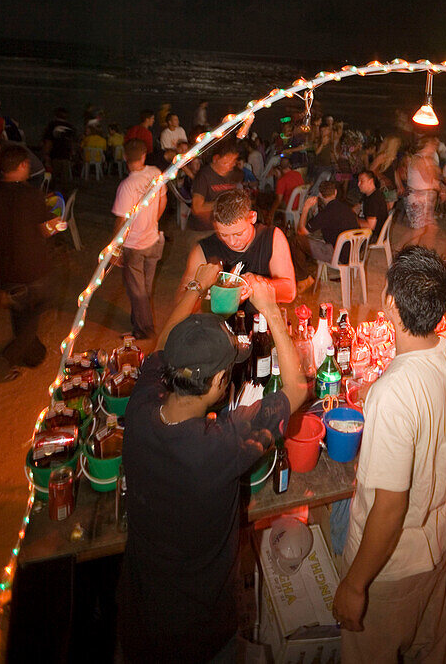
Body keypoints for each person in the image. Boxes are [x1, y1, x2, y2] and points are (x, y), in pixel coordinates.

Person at [118, 268, 307, 664]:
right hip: (201, 632)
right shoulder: (221, 445)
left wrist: (194, 287)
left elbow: (159, 347)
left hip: (139, 619)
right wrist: (271, 310)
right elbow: (297, 389)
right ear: (221, 380)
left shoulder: (141, 407)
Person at [334, 247, 446, 663]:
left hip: (390, 567)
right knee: (428, 650)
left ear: (390, 304)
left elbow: (390, 508)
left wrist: (355, 585)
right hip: (437, 546)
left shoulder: (393, 391)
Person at [0, 144, 65, 375]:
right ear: (23, 165)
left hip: (8, 273)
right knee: (33, 314)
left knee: (20, 315)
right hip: (36, 271)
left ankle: (32, 354)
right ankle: (5, 360)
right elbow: (47, 229)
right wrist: (59, 223)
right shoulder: (31, 194)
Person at [178, 186, 296, 328]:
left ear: (252, 217)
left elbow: (289, 292)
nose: (232, 242)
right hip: (217, 330)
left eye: (238, 234)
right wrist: (210, 292)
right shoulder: (203, 250)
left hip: (260, 326)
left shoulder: (271, 237)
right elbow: (181, 303)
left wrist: (251, 286)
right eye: (223, 235)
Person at [112, 138, 167, 340]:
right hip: (153, 240)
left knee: (138, 291)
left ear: (125, 157)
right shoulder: (155, 173)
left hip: (134, 245)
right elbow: (163, 199)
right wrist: (152, 222)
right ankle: (138, 325)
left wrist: (114, 248)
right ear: (144, 155)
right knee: (144, 288)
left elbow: (121, 220)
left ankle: (144, 330)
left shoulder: (127, 186)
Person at [296, 179, 359, 276]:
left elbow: (301, 232)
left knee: (297, 241)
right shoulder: (347, 208)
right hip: (354, 253)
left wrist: (305, 208)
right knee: (315, 238)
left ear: (320, 195)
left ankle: (303, 278)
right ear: (335, 192)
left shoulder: (325, 214)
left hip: (338, 255)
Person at [189, 144, 243, 231]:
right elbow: (197, 208)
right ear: (216, 159)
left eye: (234, 161)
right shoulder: (204, 176)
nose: (232, 165)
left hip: (227, 226)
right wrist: (224, 203)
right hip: (206, 228)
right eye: (227, 161)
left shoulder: (235, 174)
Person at [401, 138, 442, 249]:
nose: (434, 149)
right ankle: (404, 251)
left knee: (428, 228)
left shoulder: (422, 159)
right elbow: (428, 179)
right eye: (432, 146)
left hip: (422, 197)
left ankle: (412, 252)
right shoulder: (419, 159)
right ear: (426, 146)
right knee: (419, 230)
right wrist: (432, 167)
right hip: (417, 197)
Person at [357, 170, 388, 241]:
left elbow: (370, 226)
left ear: (370, 181)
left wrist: (353, 220)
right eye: (358, 181)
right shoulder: (368, 194)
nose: (358, 184)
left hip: (373, 235)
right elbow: (358, 207)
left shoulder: (374, 200)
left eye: (362, 181)